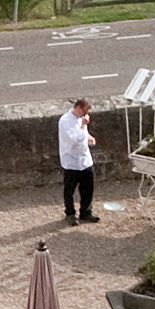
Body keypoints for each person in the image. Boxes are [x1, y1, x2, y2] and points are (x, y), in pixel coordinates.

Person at [57, 96, 98, 224]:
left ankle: (86, 212)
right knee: (69, 190)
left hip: (84, 159)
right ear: (78, 108)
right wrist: (83, 126)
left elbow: (84, 134)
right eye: (84, 112)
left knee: (88, 188)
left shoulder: (81, 120)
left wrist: (90, 138)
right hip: (71, 161)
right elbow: (74, 138)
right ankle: (70, 213)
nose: (85, 115)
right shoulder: (65, 121)